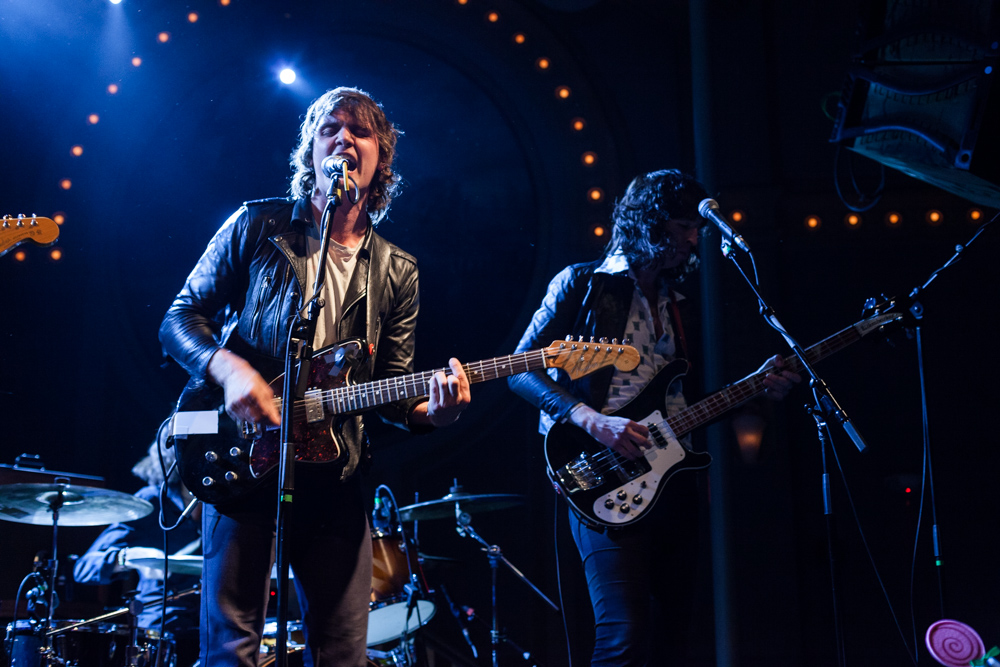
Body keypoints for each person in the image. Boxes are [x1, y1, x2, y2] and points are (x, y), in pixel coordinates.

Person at [158, 87, 470, 667]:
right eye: (331, 127)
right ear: (311, 149)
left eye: (361, 131)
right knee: (230, 650)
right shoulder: (257, 225)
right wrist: (229, 371)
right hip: (243, 458)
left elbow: (396, 391)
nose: (345, 138)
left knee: (342, 654)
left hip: (335, 474)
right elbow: (179, 318)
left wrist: (437, 411)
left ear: (381, 159)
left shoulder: (398, 270)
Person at [507, 169, 801, 666]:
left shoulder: (675, 303)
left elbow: (680, 405)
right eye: (686, 225)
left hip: (671, 480)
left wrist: (754, 390)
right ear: (652, 223)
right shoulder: (582, 283)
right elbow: (520, 370)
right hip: (598, 473)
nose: (694, 238)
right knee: (624, 634)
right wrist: (593, 421)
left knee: (673, 638)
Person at [73, 436, 202, 666]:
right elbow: (84, 567)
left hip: (215, 625)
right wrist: (129, 558)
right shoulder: (151, 502)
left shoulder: (221, 505)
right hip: (163, 627)